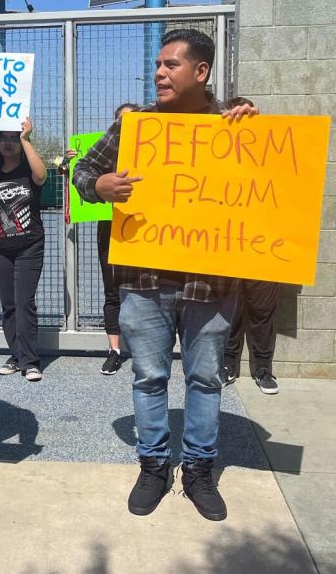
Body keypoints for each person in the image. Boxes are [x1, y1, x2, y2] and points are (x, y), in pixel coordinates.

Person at [73, 28, 256, 521]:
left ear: (202, 72)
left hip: (210, 282)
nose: (159, 72)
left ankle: (198, 469)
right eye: (158, 64)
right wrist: (100, 185)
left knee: (204, 378)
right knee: (149, 377)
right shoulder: (134, 127)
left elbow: (268, 179)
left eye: (172, 64)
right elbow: (81, 174)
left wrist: (252, 121)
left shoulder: (235, 124)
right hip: (144, 281)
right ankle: (153, 465)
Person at [220, 96, 280, 395]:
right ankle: (228, 364)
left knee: (263, 312)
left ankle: (263, 369)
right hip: (227, 245)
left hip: (265, 247)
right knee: (230, 311)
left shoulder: (274, 155)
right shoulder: (215, 157)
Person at [0, 119, 48, 382]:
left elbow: (42, 175)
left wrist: (26, 139)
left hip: (28, 246)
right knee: (8, 305)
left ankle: (30, 361)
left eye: (12, 138)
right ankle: (16, 354)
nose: (7, 143)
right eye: (4, 138)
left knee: (24, 303)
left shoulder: (28, 169)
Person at [97, 102, 139, 375]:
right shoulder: (102, 157)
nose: (125, 125)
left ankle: (146, 349)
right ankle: (114, 350)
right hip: (111, 226)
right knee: (112, 289)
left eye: (132, 121)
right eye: (120, 121)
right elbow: (83, 180)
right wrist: (71, 161)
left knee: (144, 291)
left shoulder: (155, 156)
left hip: (145, 230)